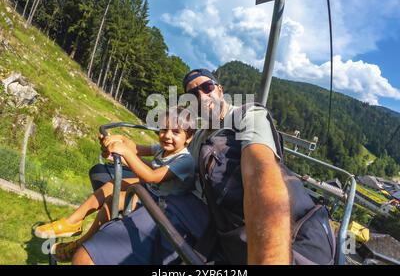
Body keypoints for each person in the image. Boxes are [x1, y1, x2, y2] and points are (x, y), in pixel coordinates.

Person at [72, 69, 333, 265]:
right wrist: (128, 145)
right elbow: (157, 149)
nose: (201, 95)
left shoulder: (246, 115)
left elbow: (262, 175)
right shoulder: (198, 135)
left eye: (206, 87)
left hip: (215, 219)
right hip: (187, 208)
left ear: (219, 90)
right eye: (192, 93)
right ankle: (78, 231)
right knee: (86, 257)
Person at [34, 106, 196, 262]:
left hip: (162, 204)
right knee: (112, 185)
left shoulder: (185, 161)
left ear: (188, 138)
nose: (167, 136)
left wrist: (124, 153)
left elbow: (152, 176)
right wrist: (119, 140)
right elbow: (137, 148)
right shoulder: (163, 149)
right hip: (152, 191)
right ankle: (73, 222)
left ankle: (82, 243)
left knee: (114, 200)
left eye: (175, 132)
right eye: (163, 129)